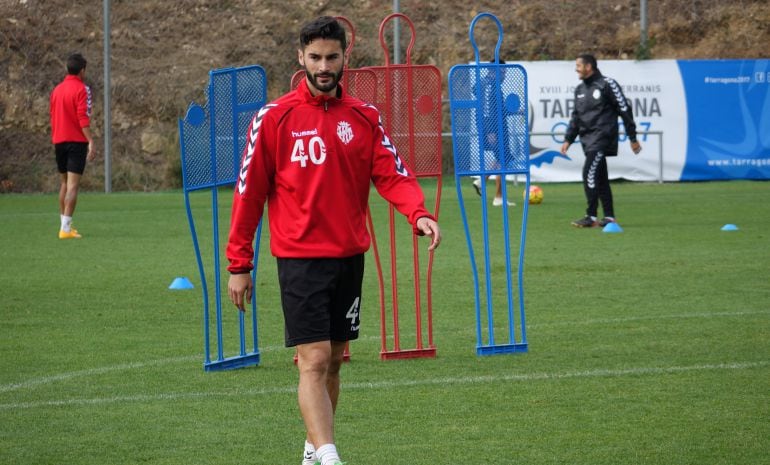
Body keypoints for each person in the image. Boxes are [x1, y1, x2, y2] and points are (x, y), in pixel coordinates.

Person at [225, 16, 441, 465]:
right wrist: (239, 263)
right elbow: (249, 193)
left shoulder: (364, 118)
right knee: (315, 359)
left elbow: (392, 174)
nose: (324, 66)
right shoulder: (274, 118)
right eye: (315, 57)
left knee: (336, 359)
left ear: (345, 58)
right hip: (300, 258)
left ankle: (311, 448)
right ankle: (329, 455)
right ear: (300, 57)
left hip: (348, 256)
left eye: (332, 57)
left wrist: (417, 213)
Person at [560, 53, 641, 227]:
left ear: (589, 67)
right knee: (600, 178)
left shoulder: (607, 84)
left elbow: (624, 109)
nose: (576, 69)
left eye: (578, 66)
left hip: (603, 137)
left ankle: (591, 216)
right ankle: (609, 217)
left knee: (588, 172)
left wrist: (632, 137)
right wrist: (568, 139)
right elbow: (576, 117)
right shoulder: (580, 90)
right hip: (587, 140)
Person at [50, 52, 95, 239]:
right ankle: (66, 229)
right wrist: (91, 140)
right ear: (82, 70)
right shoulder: (82, 89)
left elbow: (52, 115)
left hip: (58, 140)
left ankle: (64, 226)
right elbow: (82, 117)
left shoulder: (57, 90)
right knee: (73, 186)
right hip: (76, 142)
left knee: (63, 183)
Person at [472, 60, 515, 207]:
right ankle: (498, 197)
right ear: (493, 71)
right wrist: (491, 131)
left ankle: (481, 181)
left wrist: (513, 111)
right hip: (496, 130)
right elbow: (488, 110)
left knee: (502, 159)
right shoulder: (491, 86)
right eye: (502, 72)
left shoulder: (483, 84)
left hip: (495, 128)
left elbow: (497, 109)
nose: (504, 75)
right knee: (504, 160)